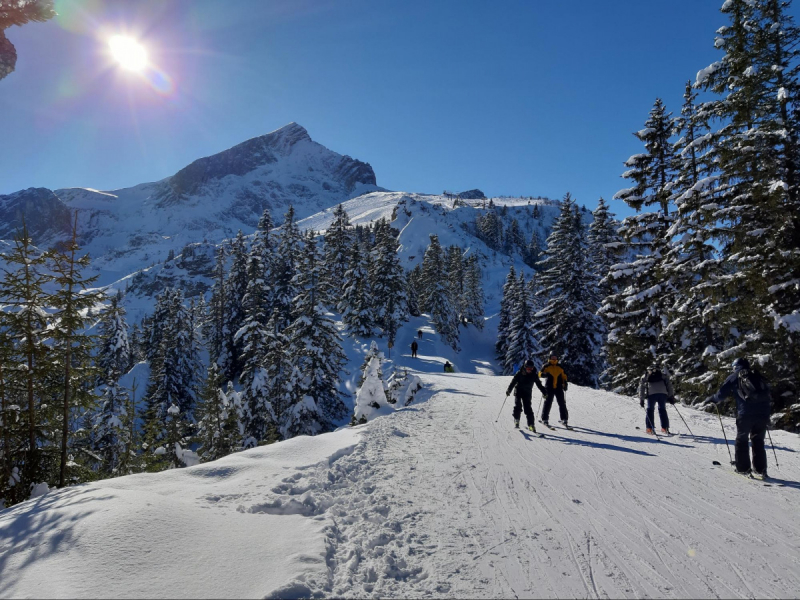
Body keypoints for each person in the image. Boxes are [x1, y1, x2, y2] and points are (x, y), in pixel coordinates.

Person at [707, 358, 772, 477]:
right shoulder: (756, 376)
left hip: (745, 413)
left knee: (741, 440)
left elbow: (722, 393)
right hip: (763, 414)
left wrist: (714, 399)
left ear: (736, 366)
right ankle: (760, 469)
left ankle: (743, 469)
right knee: (758, 440)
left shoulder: (736, 376)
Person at [505, 359, 546, 432]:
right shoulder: (519, 373)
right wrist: (509, 390)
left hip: (527, 393)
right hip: (518, 391)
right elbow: (513, 382)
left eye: (531, 368)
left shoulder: (534, 375)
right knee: (518, 405)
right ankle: (517, 419)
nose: (529, 370)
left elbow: (539, 384)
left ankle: (531, 425)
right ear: (525, 367)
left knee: (528, 408)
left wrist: (544, 392)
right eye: (528, 368)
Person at [639, 363, 675, 434]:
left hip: (651, 394)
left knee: (650, 409)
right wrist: (671, 396)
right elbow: (669, 386)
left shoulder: (645, 376)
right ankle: (665, 428)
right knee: (662, 409)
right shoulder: (662, 375)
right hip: (662, 394)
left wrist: (641, 399)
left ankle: (649, 428)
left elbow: (641, 387)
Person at [539, 354, 569, 428]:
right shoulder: (546, 366)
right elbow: (540, 374)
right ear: (550, 358)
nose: (554, 359)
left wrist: (565, 383)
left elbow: (564, 376)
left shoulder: (560, 367)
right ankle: (544, 418)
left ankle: (564, 419)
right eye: (552, 357)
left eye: (555, 357)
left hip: (558, 387)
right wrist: (543, 374)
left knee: (562, 403)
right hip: (549, 387)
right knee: (548, 403)